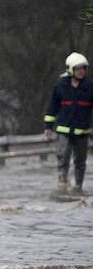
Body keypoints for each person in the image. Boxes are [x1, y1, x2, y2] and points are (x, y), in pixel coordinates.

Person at [44, 52, 91, 195]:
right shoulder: (61, 87)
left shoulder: (90, 87)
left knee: (80, 162)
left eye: (83, 68)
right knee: (62, 157)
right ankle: (62, 182)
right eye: (78, 68)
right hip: (64, 131)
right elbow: (52, 107)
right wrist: (48, 128)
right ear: (71, 69)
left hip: (82, 132)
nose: (81, 71)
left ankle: (78, 187)